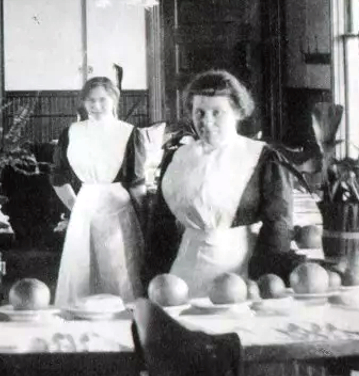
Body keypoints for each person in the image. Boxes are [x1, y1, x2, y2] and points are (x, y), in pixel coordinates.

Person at [146, 69, 298, 290]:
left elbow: (279, 226)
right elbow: (162, 226)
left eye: (217, 112)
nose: (206, 122)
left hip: (239, 273)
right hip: (183, 271)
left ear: (237, 111)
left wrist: (264, 282)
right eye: (199, 112)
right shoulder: (177, 157)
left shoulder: (262, 158)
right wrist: (154, 277)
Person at [51, 75, 147, 303]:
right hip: (84, 203)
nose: (96, 106)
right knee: (81, 267)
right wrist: (77, 207)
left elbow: (136, 181)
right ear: (83, 103)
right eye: (90, 101)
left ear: (114, 100)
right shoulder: (71, 132)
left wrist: (143, 215)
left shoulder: (129, 133)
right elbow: (57, 175)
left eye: (102, 100)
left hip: (118, 205)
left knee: (118, 267)